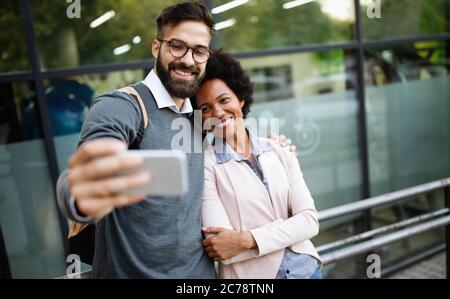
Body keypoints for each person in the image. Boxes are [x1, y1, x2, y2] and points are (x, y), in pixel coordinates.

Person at [56, 3, 294, 278]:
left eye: (199, 51)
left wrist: (274, 146)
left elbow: (234, 136)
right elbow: (89, 162)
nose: (188, 60)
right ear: (156, 47)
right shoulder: (124, 106)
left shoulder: (197, 117)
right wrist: (85, 190)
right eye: (177, 46)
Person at [196, 50, 322, 279]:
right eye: (205, 109)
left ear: (241, 99)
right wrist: (290, 229)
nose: (218, 113)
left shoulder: (279, 149)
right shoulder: (206, 164)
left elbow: (310, 222)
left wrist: (245, 239)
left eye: (224, 100)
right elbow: (222, 248)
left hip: (308, 271)